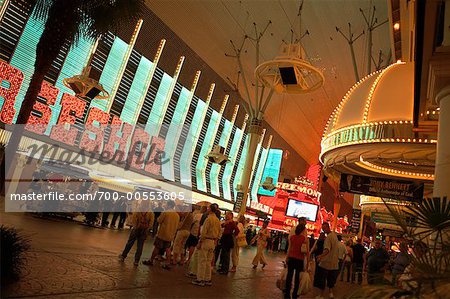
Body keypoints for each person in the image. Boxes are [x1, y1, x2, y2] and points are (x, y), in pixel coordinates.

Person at [142, 201, 180, 269]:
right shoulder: (177, 215)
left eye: (166, 204)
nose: (165, 205)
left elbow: (159, 220)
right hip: (171, 235)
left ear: (169, 205)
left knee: (157, 247)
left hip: (162, 234)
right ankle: (167, 264)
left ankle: (151, 260)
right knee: (168, 249)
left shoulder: (166, 213)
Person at [192, 204, 221, 286]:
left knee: (202, 261)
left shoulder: (208, 219)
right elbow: (219, 232)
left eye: (208, 208)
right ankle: (207, 279)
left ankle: (200, 279)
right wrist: (216, 240)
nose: (207, 210)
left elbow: (204, 232)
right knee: (208, 261)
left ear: (210, 210)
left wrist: (200, 242)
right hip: (213, 242)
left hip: (206, 241)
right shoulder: (217, 220)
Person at [314, 222, 340, 299]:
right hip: (334, 263)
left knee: (322, 279)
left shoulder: (328, 237)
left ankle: (321, 295)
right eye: (323, 228)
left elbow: (327, 249)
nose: (323, 230)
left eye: (324, 228)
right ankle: (330, 293)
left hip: (326, 263)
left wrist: (320, 256)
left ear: (328, 227)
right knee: (330, 280)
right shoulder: (334, 236)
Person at [284, 224, 308, 299]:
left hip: (291, 258)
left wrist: (286, 258)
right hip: (299, 260)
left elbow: (289, 249)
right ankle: (295, 294)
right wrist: (307, 263)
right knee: (297, 278)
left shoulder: (292, 238)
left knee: (289, 276)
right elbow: (306, 252)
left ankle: (287, 293)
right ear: (303, 231)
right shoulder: (304, 239)